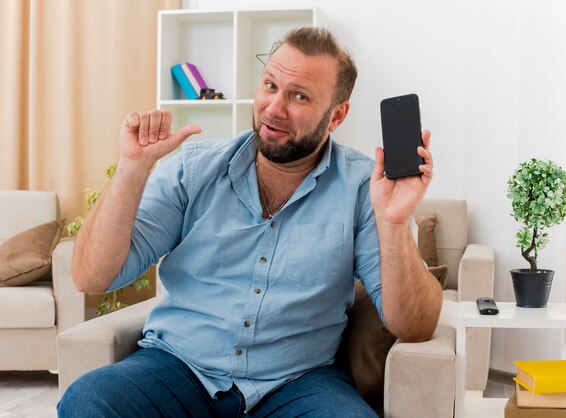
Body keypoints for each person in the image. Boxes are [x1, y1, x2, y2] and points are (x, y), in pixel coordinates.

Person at [58, 27, 442, 417]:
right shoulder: (193, 171)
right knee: (89, 402)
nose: (274, 108)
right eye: (270, 85)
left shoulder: (364, 188)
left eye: (299, 96)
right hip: (178, 366)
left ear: (336, 116)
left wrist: (394, 223)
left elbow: (414, 327)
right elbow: (91, 278)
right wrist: (131, 168)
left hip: (299, 382)